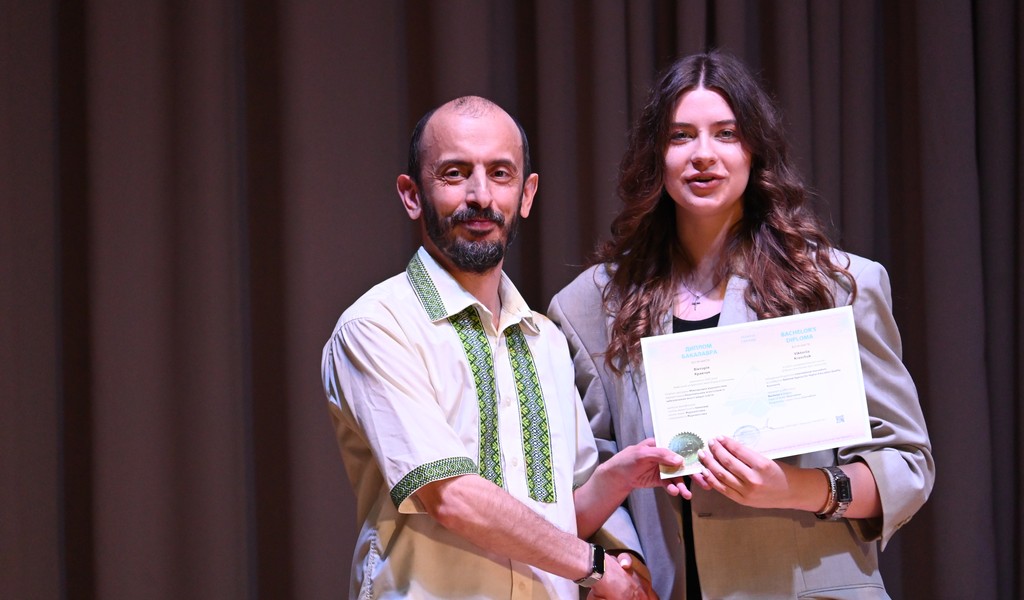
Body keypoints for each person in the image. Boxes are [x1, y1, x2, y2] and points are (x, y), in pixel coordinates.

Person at [548, 51, 935, 599]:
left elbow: (907, 465)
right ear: (656, 156)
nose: (703, 154)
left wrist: (794, 487)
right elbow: (589, 475)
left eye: (726, 134)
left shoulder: (836, 286)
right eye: (681, 136)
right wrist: (623, 561)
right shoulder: (592, 305)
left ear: (755, 150)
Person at [322, 95, 690, 599]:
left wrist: (615, 479)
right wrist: (595, 567)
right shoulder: (377, 326)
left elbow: (559, 522)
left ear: (526, 194)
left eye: (500, 174)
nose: (481, 196)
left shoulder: (546, 340)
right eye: (455, 173)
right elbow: (451, 497)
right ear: (412, 195)